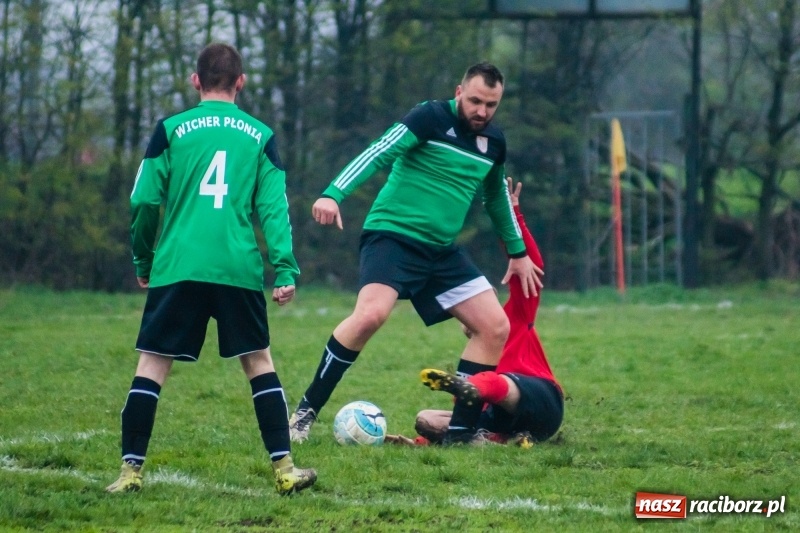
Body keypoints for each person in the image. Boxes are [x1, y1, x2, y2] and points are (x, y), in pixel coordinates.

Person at [289, 63, 543, 445]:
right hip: (393, 237)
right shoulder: (430, 117)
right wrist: (332, 193)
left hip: (441, 252)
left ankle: (460, 433)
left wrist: (518, 252)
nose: (482, 111)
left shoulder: (494, 142)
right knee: (370, 316)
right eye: (475, 101)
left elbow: (495, 197)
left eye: (491, 105)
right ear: (459, 91)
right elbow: (379, 152)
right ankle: (305, 412)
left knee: (494, 327)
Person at [106, 43, 316, 496]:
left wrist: (144, 258)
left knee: (152, 365)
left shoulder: (171, 130)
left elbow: (143, 200)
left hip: (178, 264)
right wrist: (283, 269)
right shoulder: (260, 135)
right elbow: (273, 208)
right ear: (240, 82)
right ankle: (284, 470)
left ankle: (129, 472)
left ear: (195, 80)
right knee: (259, 362)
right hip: (236, 266)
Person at [408, 179, 564, 447]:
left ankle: (476, 397)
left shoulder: (515, 314)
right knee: (427, 417)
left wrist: (513, 214)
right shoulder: (477, 355)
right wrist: (420, 441)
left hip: (543, 403)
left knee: (490, 383)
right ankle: (499, 440)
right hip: (508, 421)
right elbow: (460, 421)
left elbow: (531, 266)